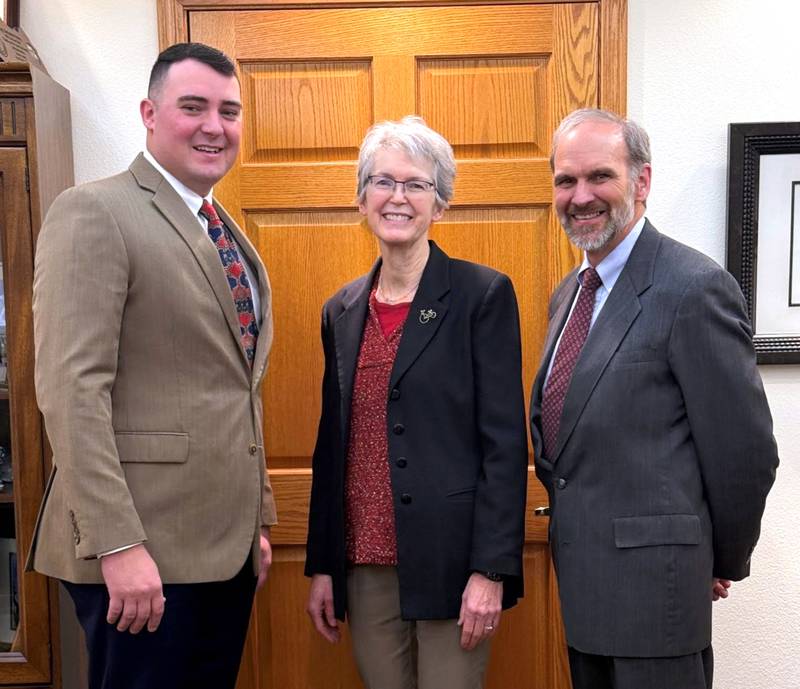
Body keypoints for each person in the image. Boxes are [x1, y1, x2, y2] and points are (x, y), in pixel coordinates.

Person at [28, 42, 275, 689]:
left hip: (223, 553)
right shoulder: (95, 211)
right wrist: (117, 543)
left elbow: (236, 387)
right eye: (193, 107)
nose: (214, 126)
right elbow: (72, 391)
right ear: (149, 113)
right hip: (142, 555)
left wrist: (256, 519)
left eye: (228, 111)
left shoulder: (224, 231)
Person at [529, 108, 779, 689]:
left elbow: (745, 454)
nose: (580, 196)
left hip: (658, 599)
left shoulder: (693, 286)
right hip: (584, 594)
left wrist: (715, 557)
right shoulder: (569, 295)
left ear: (641, 181)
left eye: (600, 176)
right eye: (566, 180)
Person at [305, 116, 528, 689]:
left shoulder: (482, 295)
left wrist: (491, 569)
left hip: (452, 563)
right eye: (382, 182)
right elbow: (331, 447)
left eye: (416, 185)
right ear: (362, 199)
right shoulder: (341, 310)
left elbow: (504, 446)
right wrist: (323, 564)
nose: (397, 197)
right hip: (364, 563)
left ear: (440, 204)